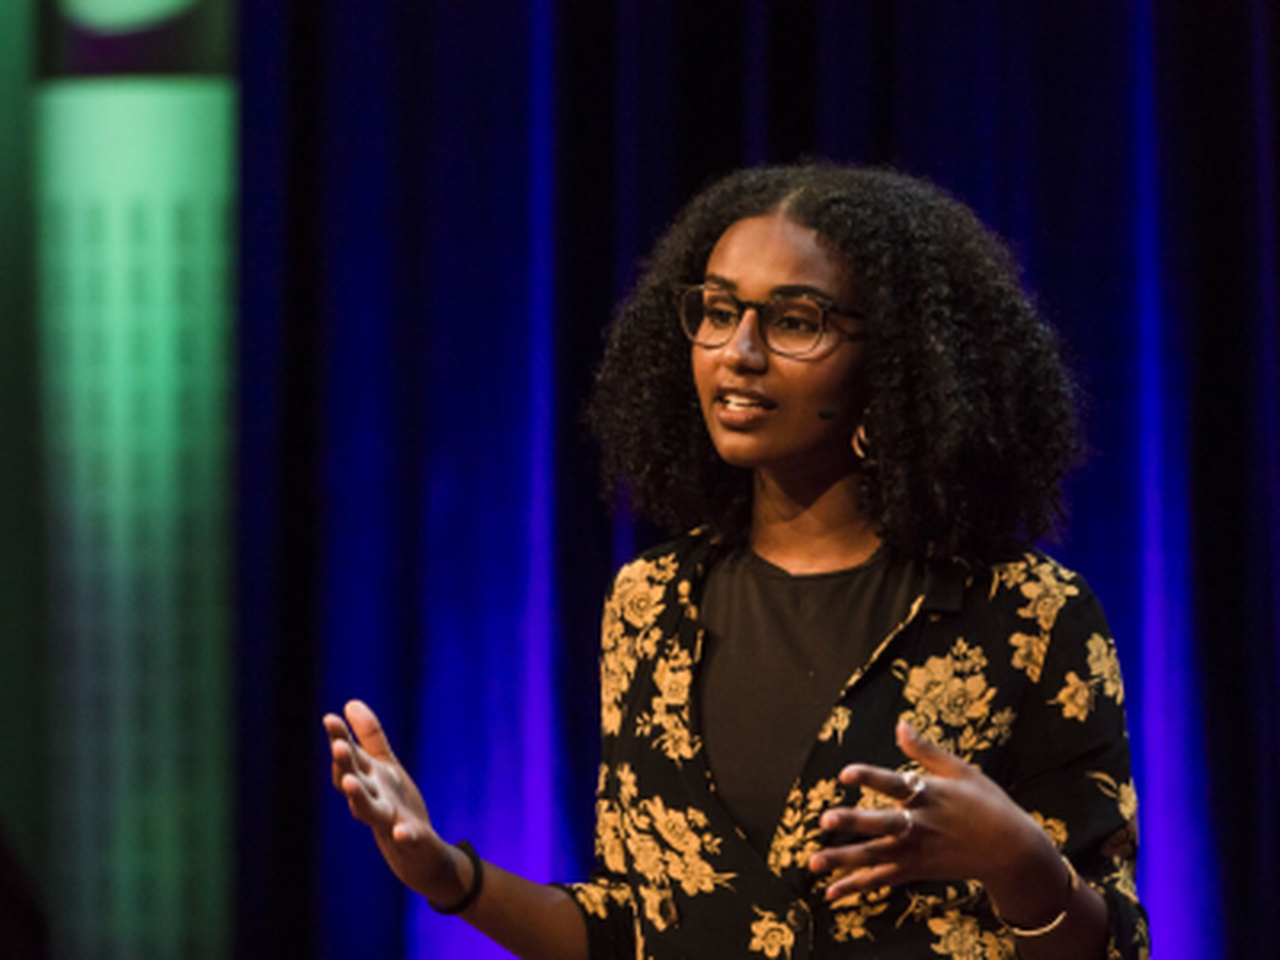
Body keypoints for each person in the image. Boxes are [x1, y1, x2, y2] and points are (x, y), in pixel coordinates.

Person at [324, 163, 1150, 959]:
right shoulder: (651, 603)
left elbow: (1112, 944)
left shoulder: (1030, 613)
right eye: (718, 312)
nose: (738, 351)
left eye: (794, 322)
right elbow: (632, 928)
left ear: (896, 360)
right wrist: (446, 873)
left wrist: (1020, 864)